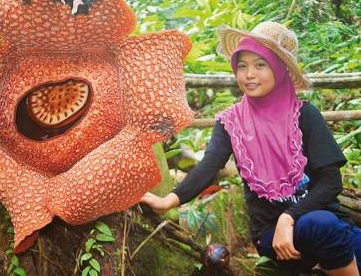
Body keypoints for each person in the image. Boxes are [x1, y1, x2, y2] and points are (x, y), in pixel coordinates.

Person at [140, 22, 361, 276]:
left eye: (260, 64)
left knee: (328, 225)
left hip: (324, 219)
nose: (248, 74)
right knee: (321, 224)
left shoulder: (305, 115)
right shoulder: (230, 123)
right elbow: (209, 166)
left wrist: (288, 217)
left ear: (279, 69)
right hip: (274, 237)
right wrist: (168, 200)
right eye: (242, 65)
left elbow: (331, 183)